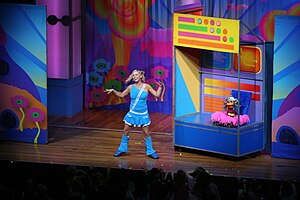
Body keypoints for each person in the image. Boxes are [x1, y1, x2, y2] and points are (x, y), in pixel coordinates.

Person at [105, 69, 162, 159]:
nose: (134, 76)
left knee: (146, 133)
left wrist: (160, 87)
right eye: (133, 75)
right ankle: (122, 149)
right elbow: (121, 95)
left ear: (140, 76)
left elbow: (157, 95)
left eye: (136, 75)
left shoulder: (146, 86)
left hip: (143, 114)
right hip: (132, 114)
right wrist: (113, 90)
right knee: (125, 131)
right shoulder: (131, 87)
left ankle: (150, 151)